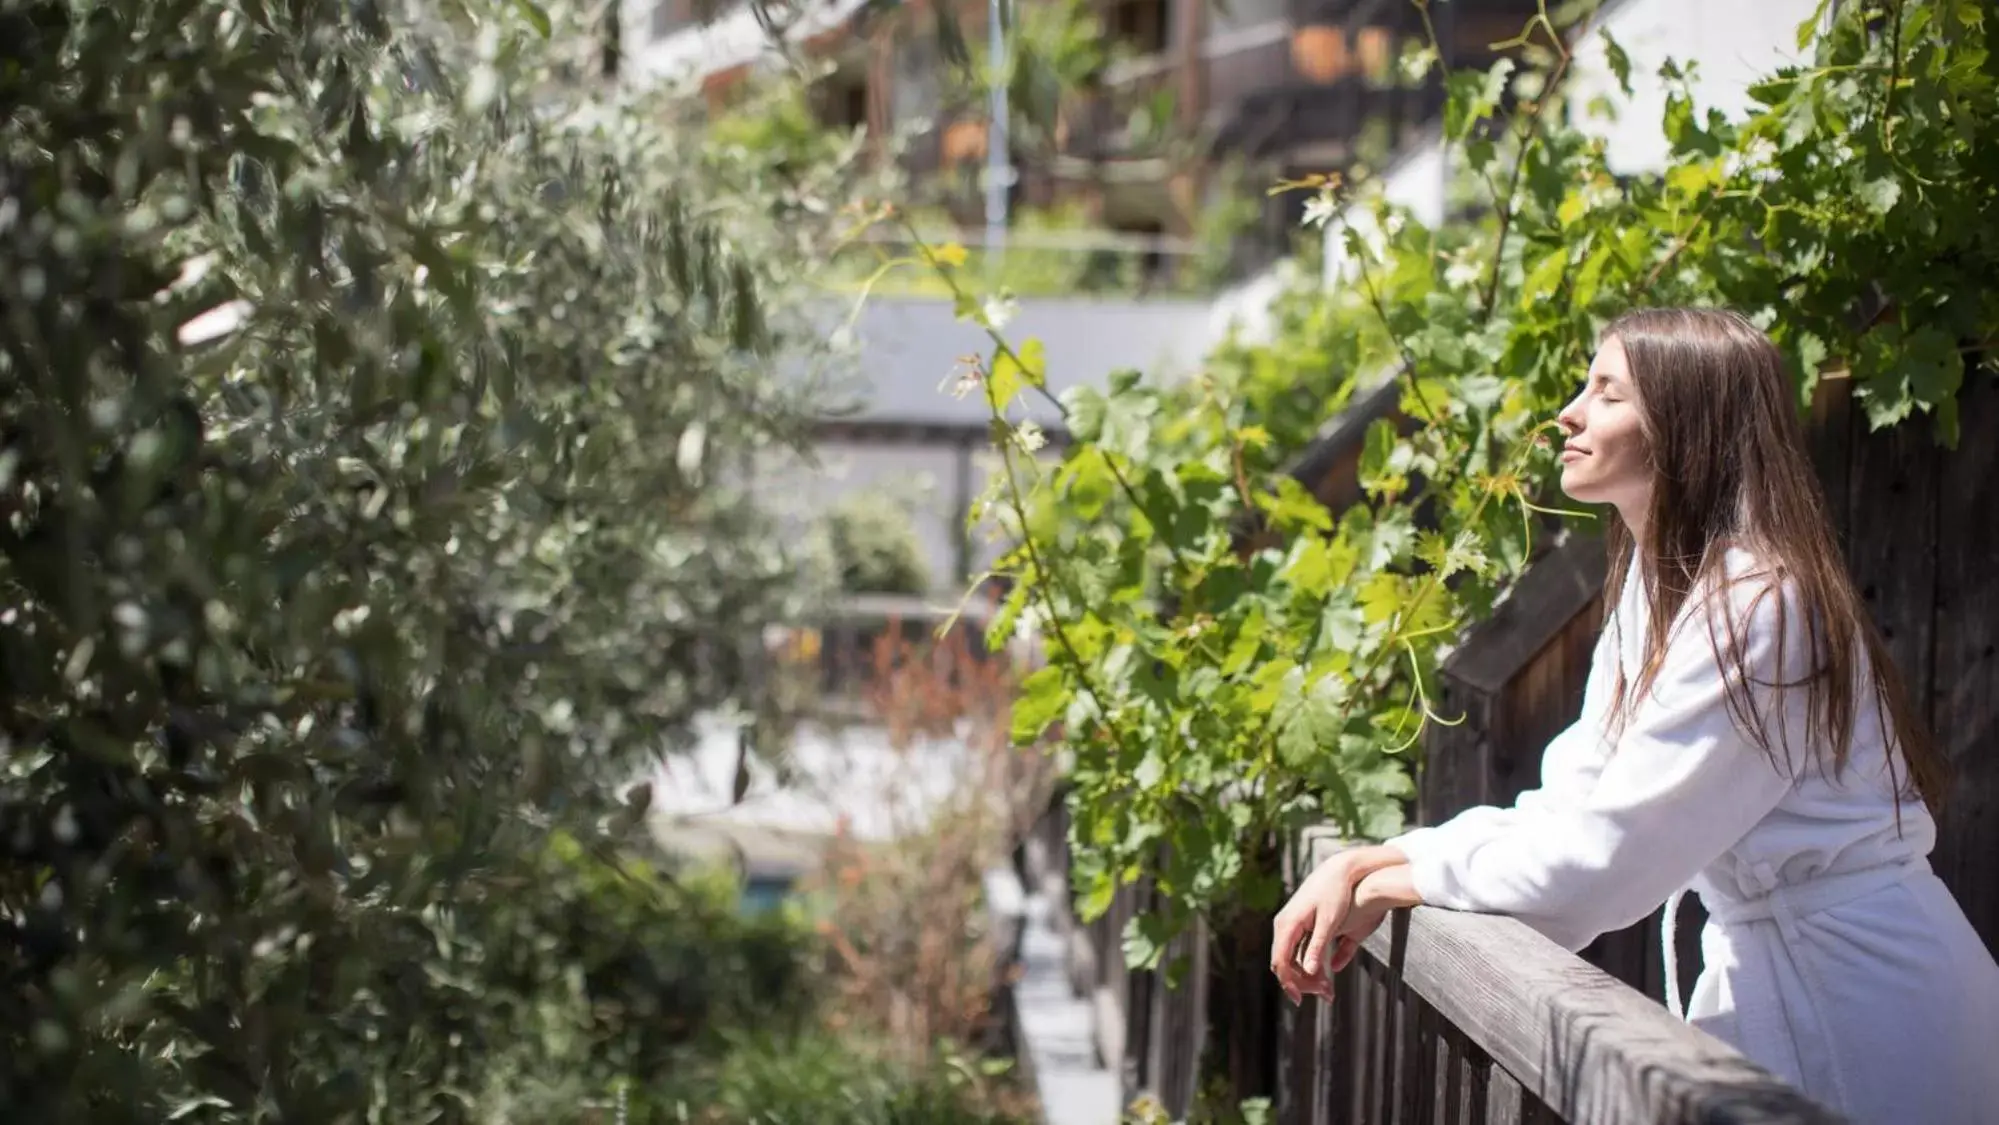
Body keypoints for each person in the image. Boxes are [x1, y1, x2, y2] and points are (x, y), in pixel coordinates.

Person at [1268, 307, 1999, 1124]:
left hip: (1873, 1015)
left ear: (1685, 426)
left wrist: (1393, 883)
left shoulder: (1758, 609)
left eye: (1606, 391)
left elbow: (1599, 867)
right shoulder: (1664, 596)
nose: (1569, 412)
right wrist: (1376, 859)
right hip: (1783, 988)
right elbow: (1569, 809)